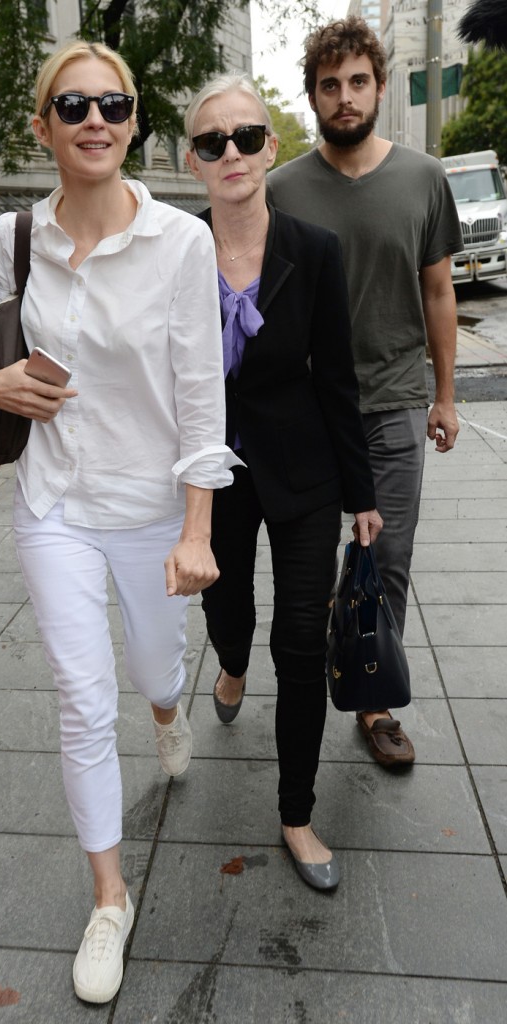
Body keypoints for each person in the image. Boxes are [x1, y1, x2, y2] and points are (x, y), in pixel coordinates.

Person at [0, 41, 239, 1005]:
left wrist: (196, 531)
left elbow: (201, 401)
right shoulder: (7, 241)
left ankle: (166, 706)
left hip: (152, 509)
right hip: (54, 507)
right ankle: (109, 896)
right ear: (42, 128)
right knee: (79, 696)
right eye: (72, 106)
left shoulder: (181, 243)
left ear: (134, 120)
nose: (94, 119)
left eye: (111, 104)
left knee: (153, 668)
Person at [184, 73, 382, 892]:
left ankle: (295, 813)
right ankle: (227, 663)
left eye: (246, 136)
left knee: (299, 640)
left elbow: (337, 378)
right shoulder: (175, 253)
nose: (230, 152)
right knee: (229, 615)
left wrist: (361, 493)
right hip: (213, 476)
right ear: (192, 162)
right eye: (210, 141)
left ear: (272, 146)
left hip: (301, 472)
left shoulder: (314, 250)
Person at [268, 17, 463, 769]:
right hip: (309, 411)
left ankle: (374, 698)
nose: (343, 98)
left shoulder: (422, 177)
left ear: (380, 87)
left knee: (387, 559)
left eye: (356, 82)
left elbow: (438, 291)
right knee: (314, 568)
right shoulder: (282, 188)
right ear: (312, 95)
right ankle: (314, 672)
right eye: (329, 85)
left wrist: (443, 396)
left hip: (392, 400)